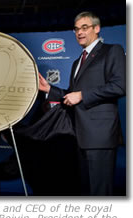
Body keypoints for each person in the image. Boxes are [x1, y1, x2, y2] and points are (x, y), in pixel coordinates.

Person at [38, 11, 126, 196]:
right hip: (80, 135)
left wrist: (83, 95)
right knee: (87, 190)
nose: (80, 32)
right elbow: (71, 95)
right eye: (77, 29)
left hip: (100, 136)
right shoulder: (77, 61)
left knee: (100, 192)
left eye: (85, 27)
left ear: (97, 28)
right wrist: (49, 89)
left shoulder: (113, 51)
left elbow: (120, 86)